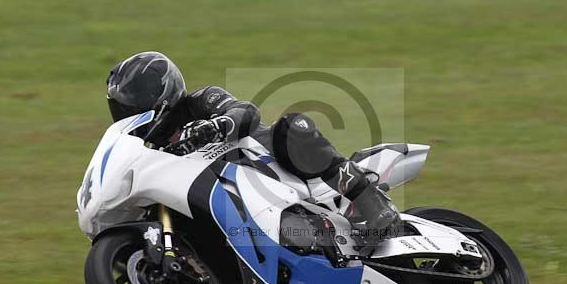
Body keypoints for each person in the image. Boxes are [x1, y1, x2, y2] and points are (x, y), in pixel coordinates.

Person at [105, 51, 398, 231]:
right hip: (235, 208)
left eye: (136, 104)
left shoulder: (200, 101)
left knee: (292, 125)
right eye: (125, 109)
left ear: (160, 92)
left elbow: (247, 113)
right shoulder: (152, 152)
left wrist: (212, 128)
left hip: (277, 171)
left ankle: (369, 201)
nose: (133, 113)